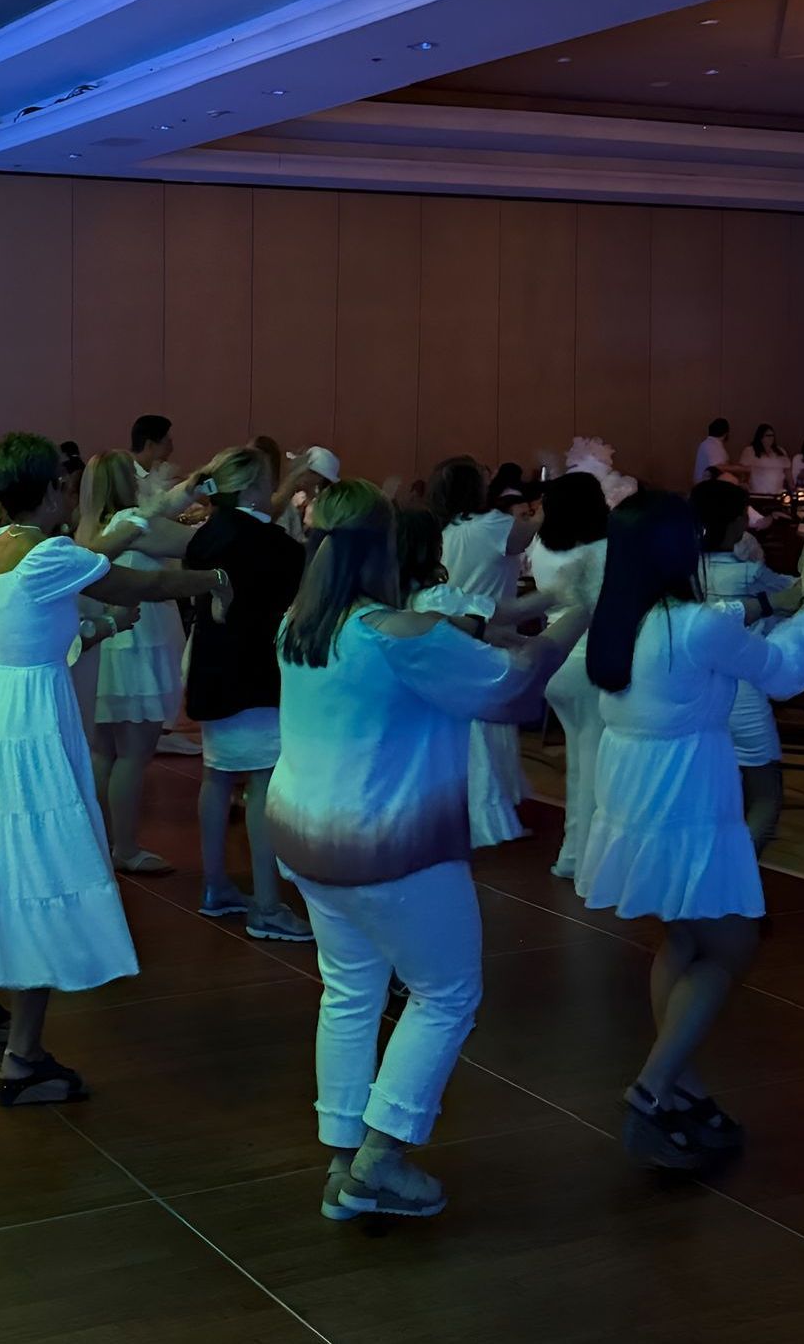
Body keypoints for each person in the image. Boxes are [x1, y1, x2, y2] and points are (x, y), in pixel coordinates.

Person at [269, 480, 585, 1220]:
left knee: (349, 992)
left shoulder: (298, 625)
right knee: (446, 994)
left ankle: (346, 1157)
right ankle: (381, 1159)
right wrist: (578, 614)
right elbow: (511, 685)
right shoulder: (399, 634)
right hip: (392, 845)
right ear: (386, 547)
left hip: (308, 839)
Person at [0, 433, 232, 1106]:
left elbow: (99, 567)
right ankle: (23, 1057)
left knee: (2, 856)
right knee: (40, 864)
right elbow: (140, 582)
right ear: (49, 490)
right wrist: (213, 579)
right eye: (62, 481)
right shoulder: (46, 553)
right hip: (26, 718)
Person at [576, 490, 804, 1170]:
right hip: (685, 794)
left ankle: (681, 1084)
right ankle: (652, 1087)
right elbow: (785, 672)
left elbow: (725, 620)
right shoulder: (692, 624)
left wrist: (776, 602)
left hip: (634, 793)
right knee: (733, 944)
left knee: (685, 938)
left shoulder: (619, 617)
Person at [182, 445, 309, 942]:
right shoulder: (272, 544)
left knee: (216, 776)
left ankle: (216, 884)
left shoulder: (207, 534)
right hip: (252, 671)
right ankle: (268, 905)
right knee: (261, 784)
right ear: (256, 486)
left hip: (210, 662)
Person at [76, 450, 196, 874]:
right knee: (133, 754)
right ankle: (125, 847)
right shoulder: (129, 521)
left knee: (104, 753)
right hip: (136, 644)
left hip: (106, 647)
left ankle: (100, 842)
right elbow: (189, 543)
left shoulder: (88, 526)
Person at [429, 457, 540, 847]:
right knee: (488, 731)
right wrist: (545, 503)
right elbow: (528, 533)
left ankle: (466, 806)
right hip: (490, 636)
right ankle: (487, 814)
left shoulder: (443, 530)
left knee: (471, 732)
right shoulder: (492, 525)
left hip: (453, 637)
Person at [692, 481, 800, 852]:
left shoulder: (682, 573)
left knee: (709, 791)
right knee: (765, 794)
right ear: (737, 522)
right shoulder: (748, 574)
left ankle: (709, 866)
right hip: (742, 694)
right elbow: (803, 595)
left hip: (693, 691)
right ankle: (737, 872)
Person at [527, 472, 610, 880]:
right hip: (590, 659)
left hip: (553, 658)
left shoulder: (540, 545)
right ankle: (587, 862)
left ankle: (573, 855)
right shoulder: (604, 548)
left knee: (579, 763)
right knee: (593, 767)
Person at [129, 414, 176, 503]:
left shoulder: (154, 473)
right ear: (150, 445)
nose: (171, 449)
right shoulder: (127, 478)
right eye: (168, 443)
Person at [742, 425, 790, 496]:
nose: (771, 438)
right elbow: (744, 470)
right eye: (768, 436)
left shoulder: (780, 451)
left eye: (772, 435)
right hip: (757, 492)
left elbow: (787, 471)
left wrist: (791, 486)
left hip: (777, 493)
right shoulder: (750, 451)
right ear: (761, 437)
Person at [693, 419, 731, 485]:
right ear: (726, 433)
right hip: (707, 488)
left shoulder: (706, 444)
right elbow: (718, 468)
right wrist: (741, 469)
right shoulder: (714, 447)